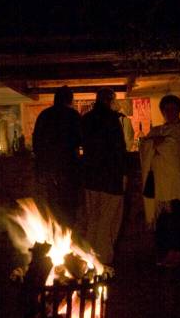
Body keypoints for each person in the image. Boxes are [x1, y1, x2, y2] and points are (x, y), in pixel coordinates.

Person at [140, 94, 180, 268]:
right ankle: (166, 253)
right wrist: (155, 143)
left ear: (179, 110)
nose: (170, 112)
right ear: (163, 111)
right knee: (163, 223)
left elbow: (173, 147)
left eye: (174, 109)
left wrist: (157, 144)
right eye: (167, 109)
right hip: (159, 186)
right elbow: (145, 146)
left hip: (177, 185)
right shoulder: (157, 131)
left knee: (178, 220)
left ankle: (178, 254)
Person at [80, 88, 127, 268]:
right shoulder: (113, 119)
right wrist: (123, 173)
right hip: (110, 176)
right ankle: (103, 259)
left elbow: (81, 144)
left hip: (91, 176)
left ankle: (88, 256)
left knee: (93, 218)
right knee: (109, 219)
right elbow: (118, 149)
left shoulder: (85, 119)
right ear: (111, 100)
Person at [32, 86, 81, 225]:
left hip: (47, 167)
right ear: (69, 99)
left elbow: (36, 142)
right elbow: (80, 139)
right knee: (68, 205)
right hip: (68, 166)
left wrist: (41, 162)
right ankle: (67, 234)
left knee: (50, 204)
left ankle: (53, 232)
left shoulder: (44, 115)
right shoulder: (73, 115)